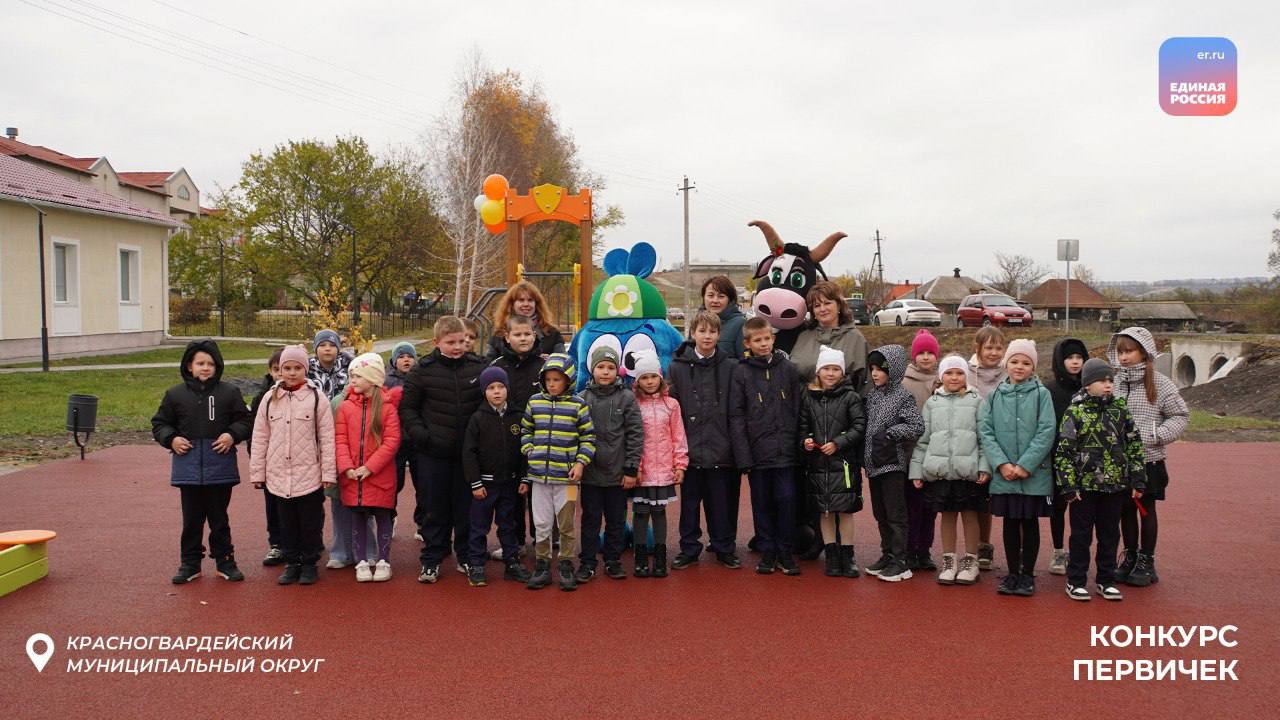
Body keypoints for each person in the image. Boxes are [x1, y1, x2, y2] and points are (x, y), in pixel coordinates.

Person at [152, 340, 254, 585]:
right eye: (200, 363)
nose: (205, 368)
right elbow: (160, 423)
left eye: (210, 363)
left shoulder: (229, 393)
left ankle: (225, 561)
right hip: (188, 469)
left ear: (217, 366)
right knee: (191, 520)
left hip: (219, 467)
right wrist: (172, 439)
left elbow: (245, 420)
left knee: (219, 518)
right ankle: (190, 563)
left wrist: (232, 435)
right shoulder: (175, 394)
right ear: (189, 366)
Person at [400, 316, 487, 584]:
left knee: (466, 508)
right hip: (432, 453)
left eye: (462, 341)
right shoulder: (422, 371)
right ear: (437, 343)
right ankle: (431, 558)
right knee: (433, 508)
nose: (458, 346)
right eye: (451, 342)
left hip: (468, 456)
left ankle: (465, 556)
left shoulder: (479, 367)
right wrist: (423, 437)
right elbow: (408, 409)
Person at [1054, 359, 1147, 601]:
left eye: (1110, 381)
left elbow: (1134, 444)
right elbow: (1064, 450)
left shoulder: (1120, 409)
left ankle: (1105, 580)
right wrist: (1068, 485)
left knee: (1109, 535)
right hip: (1083, 488)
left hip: (1114, 487)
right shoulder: (1075, 411)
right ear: (1087, 384)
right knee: (1081, 536)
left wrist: (1138, 479)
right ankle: (1076, 581)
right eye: (1101, 381)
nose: (1107, 385)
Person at [249, 344, 337, 586]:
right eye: (286, 368)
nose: (291, 372)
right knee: (286, 523)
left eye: (297, 368)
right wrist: (258, 472)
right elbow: (260, 436)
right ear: (279, 371)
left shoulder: (317, 399)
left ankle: (309, 563)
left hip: (309, 474)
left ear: (305, 370)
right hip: (278, 475)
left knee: (309, 522)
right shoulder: (269, 399)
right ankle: (292, 562)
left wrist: (328, 472)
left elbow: (327, 438)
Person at [1108, 327, 1189, 587]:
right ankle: (1130, 557)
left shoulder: (1162, 384)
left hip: (1149, 460)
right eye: (1120, 352)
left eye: (1129, 351)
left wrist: (1157, 435)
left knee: (1146, 510)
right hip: (1120, 462)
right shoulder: (1115, 382)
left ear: (1144, 351)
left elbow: (1180, 416)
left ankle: (1147, 561)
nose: (1124, 357)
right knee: (1125, 511)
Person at [978, 339, 1056, 597]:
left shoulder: (1042, 394)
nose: (1019, 367)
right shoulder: (995, 395)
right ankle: (1012, 573)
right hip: (1005, 474)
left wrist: (1025, 465)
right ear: (1006, 364)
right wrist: (1002, 464)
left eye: (1025, 362)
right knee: (1010, 523)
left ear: (1033, 367)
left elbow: (1047, 430)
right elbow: (986, 432)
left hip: (1032, 475)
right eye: (1014, 361)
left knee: (1029, 523)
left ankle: (1027, 574)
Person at [667, 310, 742, 569]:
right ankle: (689, 547)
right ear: (693, 333)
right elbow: (672, 409)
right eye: (702, 331)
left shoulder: (731, 366)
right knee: (689, 505)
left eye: (712, 332)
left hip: (721, 448)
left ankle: (724, 546)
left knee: (720, 504)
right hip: (688, 449)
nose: (707, 336)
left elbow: (736, 409)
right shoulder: (677, 367)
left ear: (719, 335)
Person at [730, 316, 803, 576]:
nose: (763, 344)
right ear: (748, 343)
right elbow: (736, 416)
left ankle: (785, 550)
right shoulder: (741, 373)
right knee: (761, 503)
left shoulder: (789, 369)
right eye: (757, 340)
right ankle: (768, 549)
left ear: (773, 338)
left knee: (786, 500)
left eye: (767, 339)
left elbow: (798, 408)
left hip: (785, 452)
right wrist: (743, 456)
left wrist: (798, 443)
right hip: (757, 453)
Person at [909, 355, 989, 586]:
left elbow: (984, 439)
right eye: (949, 373)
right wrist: (916, 470)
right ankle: (949, 561)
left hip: (968, 472)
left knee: (970, 515)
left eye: (959, 373)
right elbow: (923, 440)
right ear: (941, 375)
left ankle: (971, 562)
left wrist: (984, 466)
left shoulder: (977, 402)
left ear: (966, 376)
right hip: (941, 472)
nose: (954, 377)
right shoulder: (932, 403)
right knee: (947, 516)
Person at [520, 353, 595, 591]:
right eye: (548, 379)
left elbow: (589, 437)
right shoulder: (534, 402)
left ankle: (565, 564)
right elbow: (526, 430)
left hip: (567, 480)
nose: (552, 384)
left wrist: (581, 463)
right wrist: (529, 448)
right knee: (541, 523)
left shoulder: (578, 405)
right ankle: (542, 566)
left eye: (557, 379)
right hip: (539, 478)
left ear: (569, 381)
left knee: (566, 525)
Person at [799, 346, 866, 578]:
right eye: (826, 368)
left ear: (842, 372)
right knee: (825, 511)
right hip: (818, 466)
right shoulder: (808, 397)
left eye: (835, 369)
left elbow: (859, 426)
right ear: (818, 371)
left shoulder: (851, 397)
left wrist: (838, 443)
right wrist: (806, 441)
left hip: (844, 465)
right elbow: (803, 427)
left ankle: (848, 555)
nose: (830, 373)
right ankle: (832, 555)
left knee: (845, 511)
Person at [578, 346, 643, 582]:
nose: (605, 372)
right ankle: (587, 561)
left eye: (610, 367)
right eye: (601, 367)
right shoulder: (582, 399)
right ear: (592, 369)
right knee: (590, 519)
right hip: (591, 475)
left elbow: (636, 434)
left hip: (617, 474)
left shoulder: (626, 398)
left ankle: (613, 560)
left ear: (618, 371)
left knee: (616, 519)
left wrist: (630, 468)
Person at [335, 353, 402, 583]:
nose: (352, 380)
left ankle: (384, 560)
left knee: (384, 516)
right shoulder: (345, 407)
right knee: (358, 518)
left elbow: (392, 441)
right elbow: (340, 439)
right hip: (353, 476)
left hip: (380, 475)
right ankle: (362, 561)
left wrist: (370, 467)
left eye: (357, 376)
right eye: (351, 375)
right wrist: (346, 467)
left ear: (372, 379)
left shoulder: (387, 408)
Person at [462, 366, 531, 586]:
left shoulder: (518, 417)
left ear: (507, 389)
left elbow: (524, 452)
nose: (497, 392)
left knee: (508, 525)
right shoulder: (477, 419)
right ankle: (476, 564)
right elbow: (469, 453)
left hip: (509, 484)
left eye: (501, 387)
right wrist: (475, 482)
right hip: (484, 485)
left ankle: (511, 563)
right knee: (479, 526)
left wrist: (524, 478)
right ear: (484, 391)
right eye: (491, 388)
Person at [862, 345, 926, 582]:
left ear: (894, 369)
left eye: (880, 369)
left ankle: (901, 560)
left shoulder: (903, 396)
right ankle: (887, 555)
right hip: (873, 464)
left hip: (892, 464)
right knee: (880, 513)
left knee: (895, 514)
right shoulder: (872, 396)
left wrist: (891, 433)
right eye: (872, 369)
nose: (875, 373)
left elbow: (916, 426)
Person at [489, 315, 547, 556]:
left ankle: (542, 539)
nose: (523, 338)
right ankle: (515, 542)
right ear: (507, 337)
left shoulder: (544, 366)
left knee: (539, 492)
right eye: (518, 334)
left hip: (540, 439)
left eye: (527, 334)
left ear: (534, 336)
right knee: (512, 494)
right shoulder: (497, 366)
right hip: (509, 440)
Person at [630, 350, 688, 578]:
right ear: (637, 381)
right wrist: (633, 466)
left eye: (653, 376)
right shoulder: (633, 404)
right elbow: (631, 438)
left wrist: (680, 465)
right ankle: (641, 555)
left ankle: (660, 556)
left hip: (664, 469)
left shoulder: (671, 405)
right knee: (640, 512)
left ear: (660, 378)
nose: (650, 381)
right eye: (644, 377)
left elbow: (678, 436)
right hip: (641, 470)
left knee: (659, 511)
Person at [1044, 338, 1088, 576]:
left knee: (1081, 511)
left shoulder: (1089, 389)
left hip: (1086, 460)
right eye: (1069, 358)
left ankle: (1077, 551)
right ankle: (1058, 550)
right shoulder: (1050, 390)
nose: (1074, 362)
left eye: (1079, 358)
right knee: (1058, 509)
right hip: (1058, 459)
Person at [901, 329, 941, 572]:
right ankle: (910, 548)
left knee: (930, 509)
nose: (926, 357)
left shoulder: (943, 380)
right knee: (911, 507)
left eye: (930, 353)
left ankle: (925, 549)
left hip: (934, 456)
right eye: (921, 353)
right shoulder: (905, 382)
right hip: (910, 454)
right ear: (914, 356)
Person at [968, 326, 1007, 571]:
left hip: (1004, 444)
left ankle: (1020, 551)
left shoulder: (1010, 372)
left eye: (998, 348)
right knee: (980, 499)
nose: (994, 352)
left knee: (1009, 499)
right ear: (978, 349)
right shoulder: (967, 373)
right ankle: (982, 545)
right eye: (988, 347)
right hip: (974, 444)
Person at [790, 280, 870, 388]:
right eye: (817, 305)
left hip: (844, 403)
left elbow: (864, 382)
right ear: (812, 311)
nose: (822, 309)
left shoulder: (855, 339)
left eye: (827, 303)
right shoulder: (804, 336)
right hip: (803, 402)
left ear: (839, 306)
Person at [248, 349, 286, 567]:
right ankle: (277, 544)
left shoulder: (310, 395)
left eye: (288, 368)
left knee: (303, 506)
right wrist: (258, 464)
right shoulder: (262, 399)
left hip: (301, 464)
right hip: (272, 464)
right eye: (277, 369)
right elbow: (257, 434)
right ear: (270, 371)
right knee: (273, 505)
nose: (282, 374)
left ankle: (306, 542)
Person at [383, 341, 418, 535]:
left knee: (422, 483)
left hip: (416, 439)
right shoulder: (387, 381)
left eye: (410, 356)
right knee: (394, 482)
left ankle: (421, 522)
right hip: (395, 440)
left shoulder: (420, 378)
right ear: (394, 360)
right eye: (402, 356)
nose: (406, 360)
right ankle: (389, 517)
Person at [488, 280, 565, 358]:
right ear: (512, 304)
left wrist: (550, 362)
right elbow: (489, 364)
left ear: (536, 304)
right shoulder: (500, 334)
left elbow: (563, 361)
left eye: (530, 300)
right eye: (521, 300)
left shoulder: (551, 333)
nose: (526, 304)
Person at [698, 275, 747, 358]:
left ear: (730, 299)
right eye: (710, 295)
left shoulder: (740, 324)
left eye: (721, 296)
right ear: (703, 297)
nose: (715, 300)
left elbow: (744, 362)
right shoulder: (697, 322)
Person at [308, 329, 352, 399]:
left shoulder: (349, 366)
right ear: (315, 349)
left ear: (338, 349)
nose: (327, 349)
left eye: (332, 345)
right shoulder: (307, 368)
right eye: (322, 345)